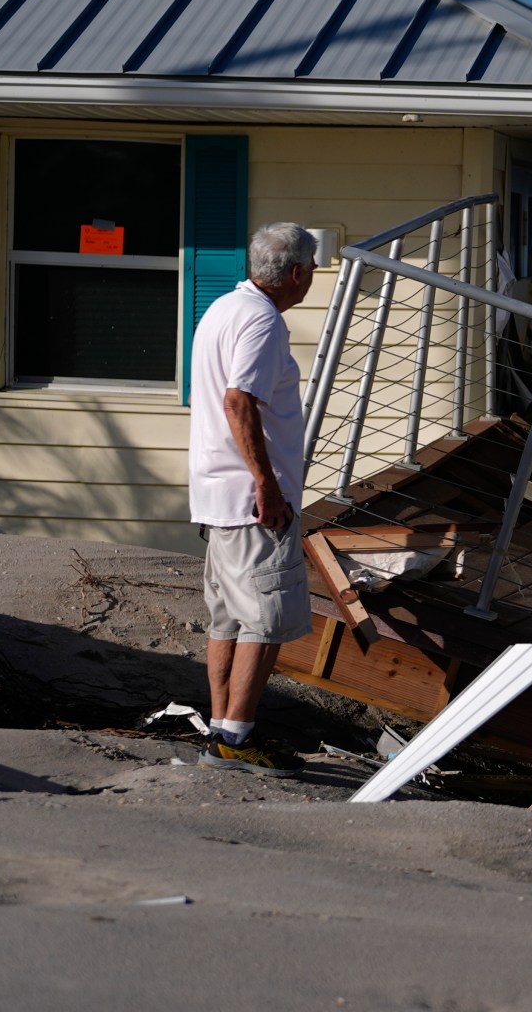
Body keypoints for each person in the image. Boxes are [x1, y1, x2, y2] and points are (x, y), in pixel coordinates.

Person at [186, 221, 320, 777]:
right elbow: (239, 401)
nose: (311, 279)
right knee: (264, 619)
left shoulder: (222, 308)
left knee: (228, 620)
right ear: (294, 273)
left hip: (216, 493)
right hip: (250, 500)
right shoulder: (263, 322)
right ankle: (236, 741)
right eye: (311, 270)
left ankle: (222, 729)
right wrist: (268, 486)